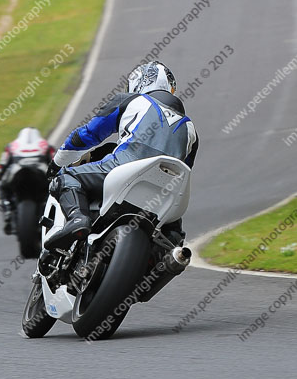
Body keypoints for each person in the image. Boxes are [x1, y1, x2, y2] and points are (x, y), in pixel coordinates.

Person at [45, 62, 198, 251]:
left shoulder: (132, 101)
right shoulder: (191, 128)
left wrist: (57, 163)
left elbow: (87, 135)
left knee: (65, 178)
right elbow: (185, 168)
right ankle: (171, 250)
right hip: (167, 193)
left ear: (139, 83)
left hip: (124, 169)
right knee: (173, 237)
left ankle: (77, 218)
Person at [0, 127, 55, 235]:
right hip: (41, 175)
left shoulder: (12, 145)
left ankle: (8, 211)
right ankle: (53, 212)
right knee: (57, 185)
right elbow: (56, 162)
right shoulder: (45, 144)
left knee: (1, 186)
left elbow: (0, 168)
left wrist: (0, 175)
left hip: (17, 174)